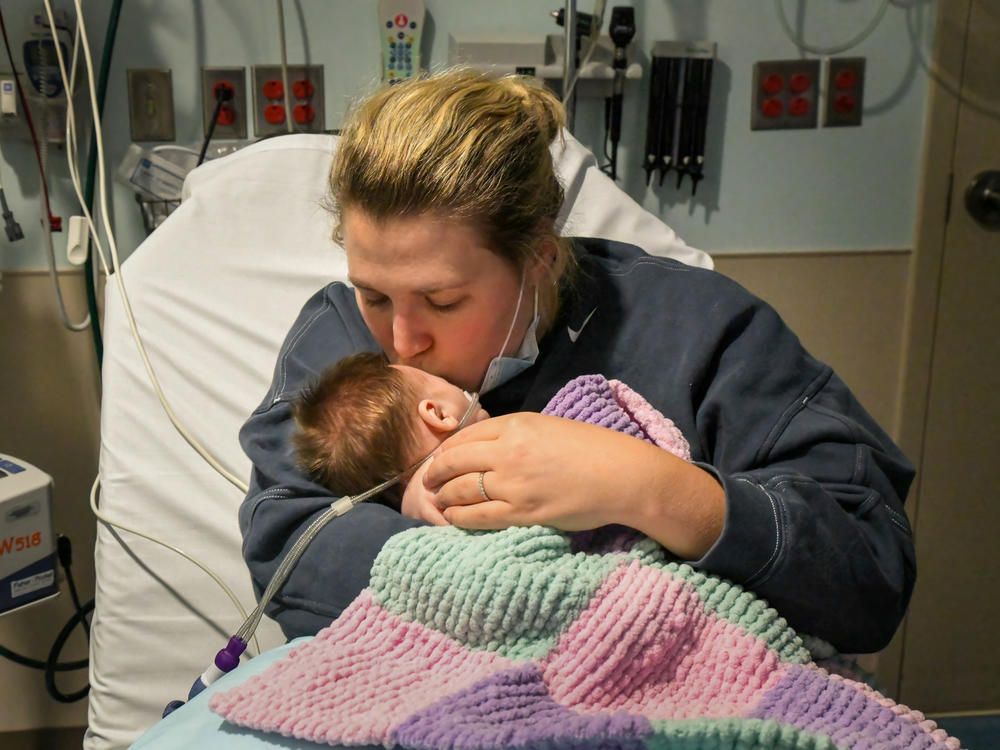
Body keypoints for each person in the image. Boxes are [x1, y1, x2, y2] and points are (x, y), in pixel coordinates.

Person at [238, 68, 915, 653]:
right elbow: (286, 535)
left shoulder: (701, 333)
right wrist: (438, 551)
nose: (403, 339)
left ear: (540, 257)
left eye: (443, 301)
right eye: (375, 294)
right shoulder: (338, 340)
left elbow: (870, 570)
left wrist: (657, 491)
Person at [291, 350, 488, 525]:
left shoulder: (408, 515)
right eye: (446, 382)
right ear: (438, 415)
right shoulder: (481, 454)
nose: (464, 391)